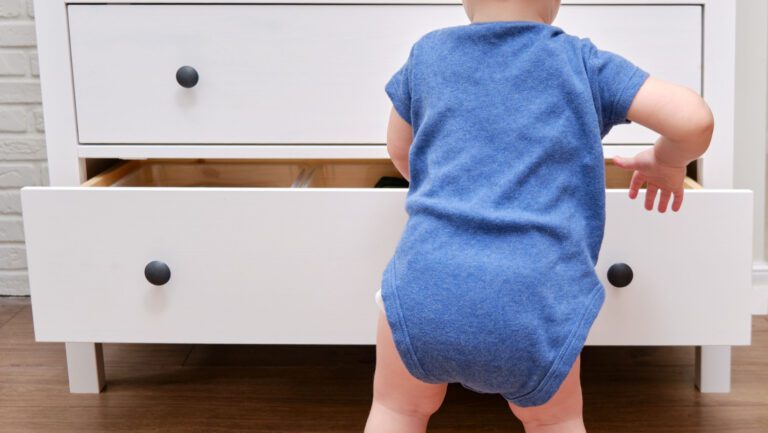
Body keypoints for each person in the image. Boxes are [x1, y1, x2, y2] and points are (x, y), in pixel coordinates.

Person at [364, 0, 714, 432]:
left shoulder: (427, 55)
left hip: (423, 285)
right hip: (537, 296)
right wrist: (665, 160)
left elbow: (400, 149)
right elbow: (694, 121)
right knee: (554, 421)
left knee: (398, 411)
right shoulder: (580, 61)